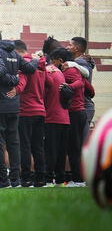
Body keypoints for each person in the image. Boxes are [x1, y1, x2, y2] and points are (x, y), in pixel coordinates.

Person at [0, 29, 37, 189]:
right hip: (14, 105)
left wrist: (13, 80)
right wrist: (35, 61)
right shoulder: (14, 53)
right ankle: (15, 180)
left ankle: (2, 180)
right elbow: (31, 68)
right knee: (13, 143)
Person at [48, 48, 88, 187]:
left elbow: (80, 83)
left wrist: (67, 87)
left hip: (75, 113)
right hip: (76, 112)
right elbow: (88, 87)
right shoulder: (73, 70)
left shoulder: (70, 71)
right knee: (72, 147)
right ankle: (74, 179)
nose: (52, 64)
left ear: (60, 60)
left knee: (73, 148)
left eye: (53, 61)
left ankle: (78, 180)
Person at [14, 40, 47, 188]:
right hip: (40, 110)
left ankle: (26, 178)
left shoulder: (24, 66)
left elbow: (21, 85)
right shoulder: (41, 67)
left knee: (25, 146)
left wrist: (13, 90)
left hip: (26, 111)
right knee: (38, 147)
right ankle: (40, 178)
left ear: (16, 52)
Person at [43, 53, 69, 186]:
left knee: (50, 150)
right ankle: (59, 179)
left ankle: (48, 179)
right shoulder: (60, 73)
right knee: (61, 151)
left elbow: (44, 94)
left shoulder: (49, 73)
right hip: (64, 117)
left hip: (52, 116)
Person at [67, 36, 95, 144]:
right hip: (81, 107)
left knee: (81, 143)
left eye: (70, 45)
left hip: (84, 107)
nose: (67, 47)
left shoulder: (81, 62)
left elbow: (85, 73)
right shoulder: (78, 61)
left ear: (77, 48)